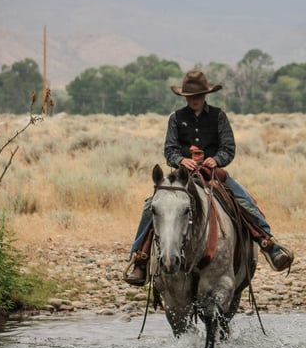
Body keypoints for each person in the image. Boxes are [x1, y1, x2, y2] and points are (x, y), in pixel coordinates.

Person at [124, 70, 293, 286]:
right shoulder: (176, 118)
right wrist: (180, 160)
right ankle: (140, 258)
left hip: (213, 174)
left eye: (198, 95)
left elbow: (228, 148)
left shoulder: (218, 116)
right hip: (183, 176)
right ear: (185, 97)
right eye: (190, 96)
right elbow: (170, 150)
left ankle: (269, 244)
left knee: (244, 201)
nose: (194, 99)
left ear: (205, 95)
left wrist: (216, 159)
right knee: (151, 206)